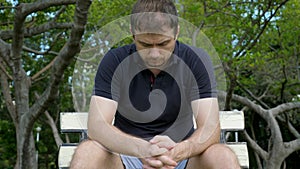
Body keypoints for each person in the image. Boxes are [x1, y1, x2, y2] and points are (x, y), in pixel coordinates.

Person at [70, 0, 240, 168]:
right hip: (126, 156)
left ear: (177, 32)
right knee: (87, 152)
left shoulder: (196, 60)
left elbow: (210, 128)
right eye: (144, 44)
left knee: (222, 156)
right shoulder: (114, 60)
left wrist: (176, 152)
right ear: (132, 33)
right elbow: (97, 126)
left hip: (181, 156)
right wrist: (142, 149)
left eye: (163, 43)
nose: (154, 54)